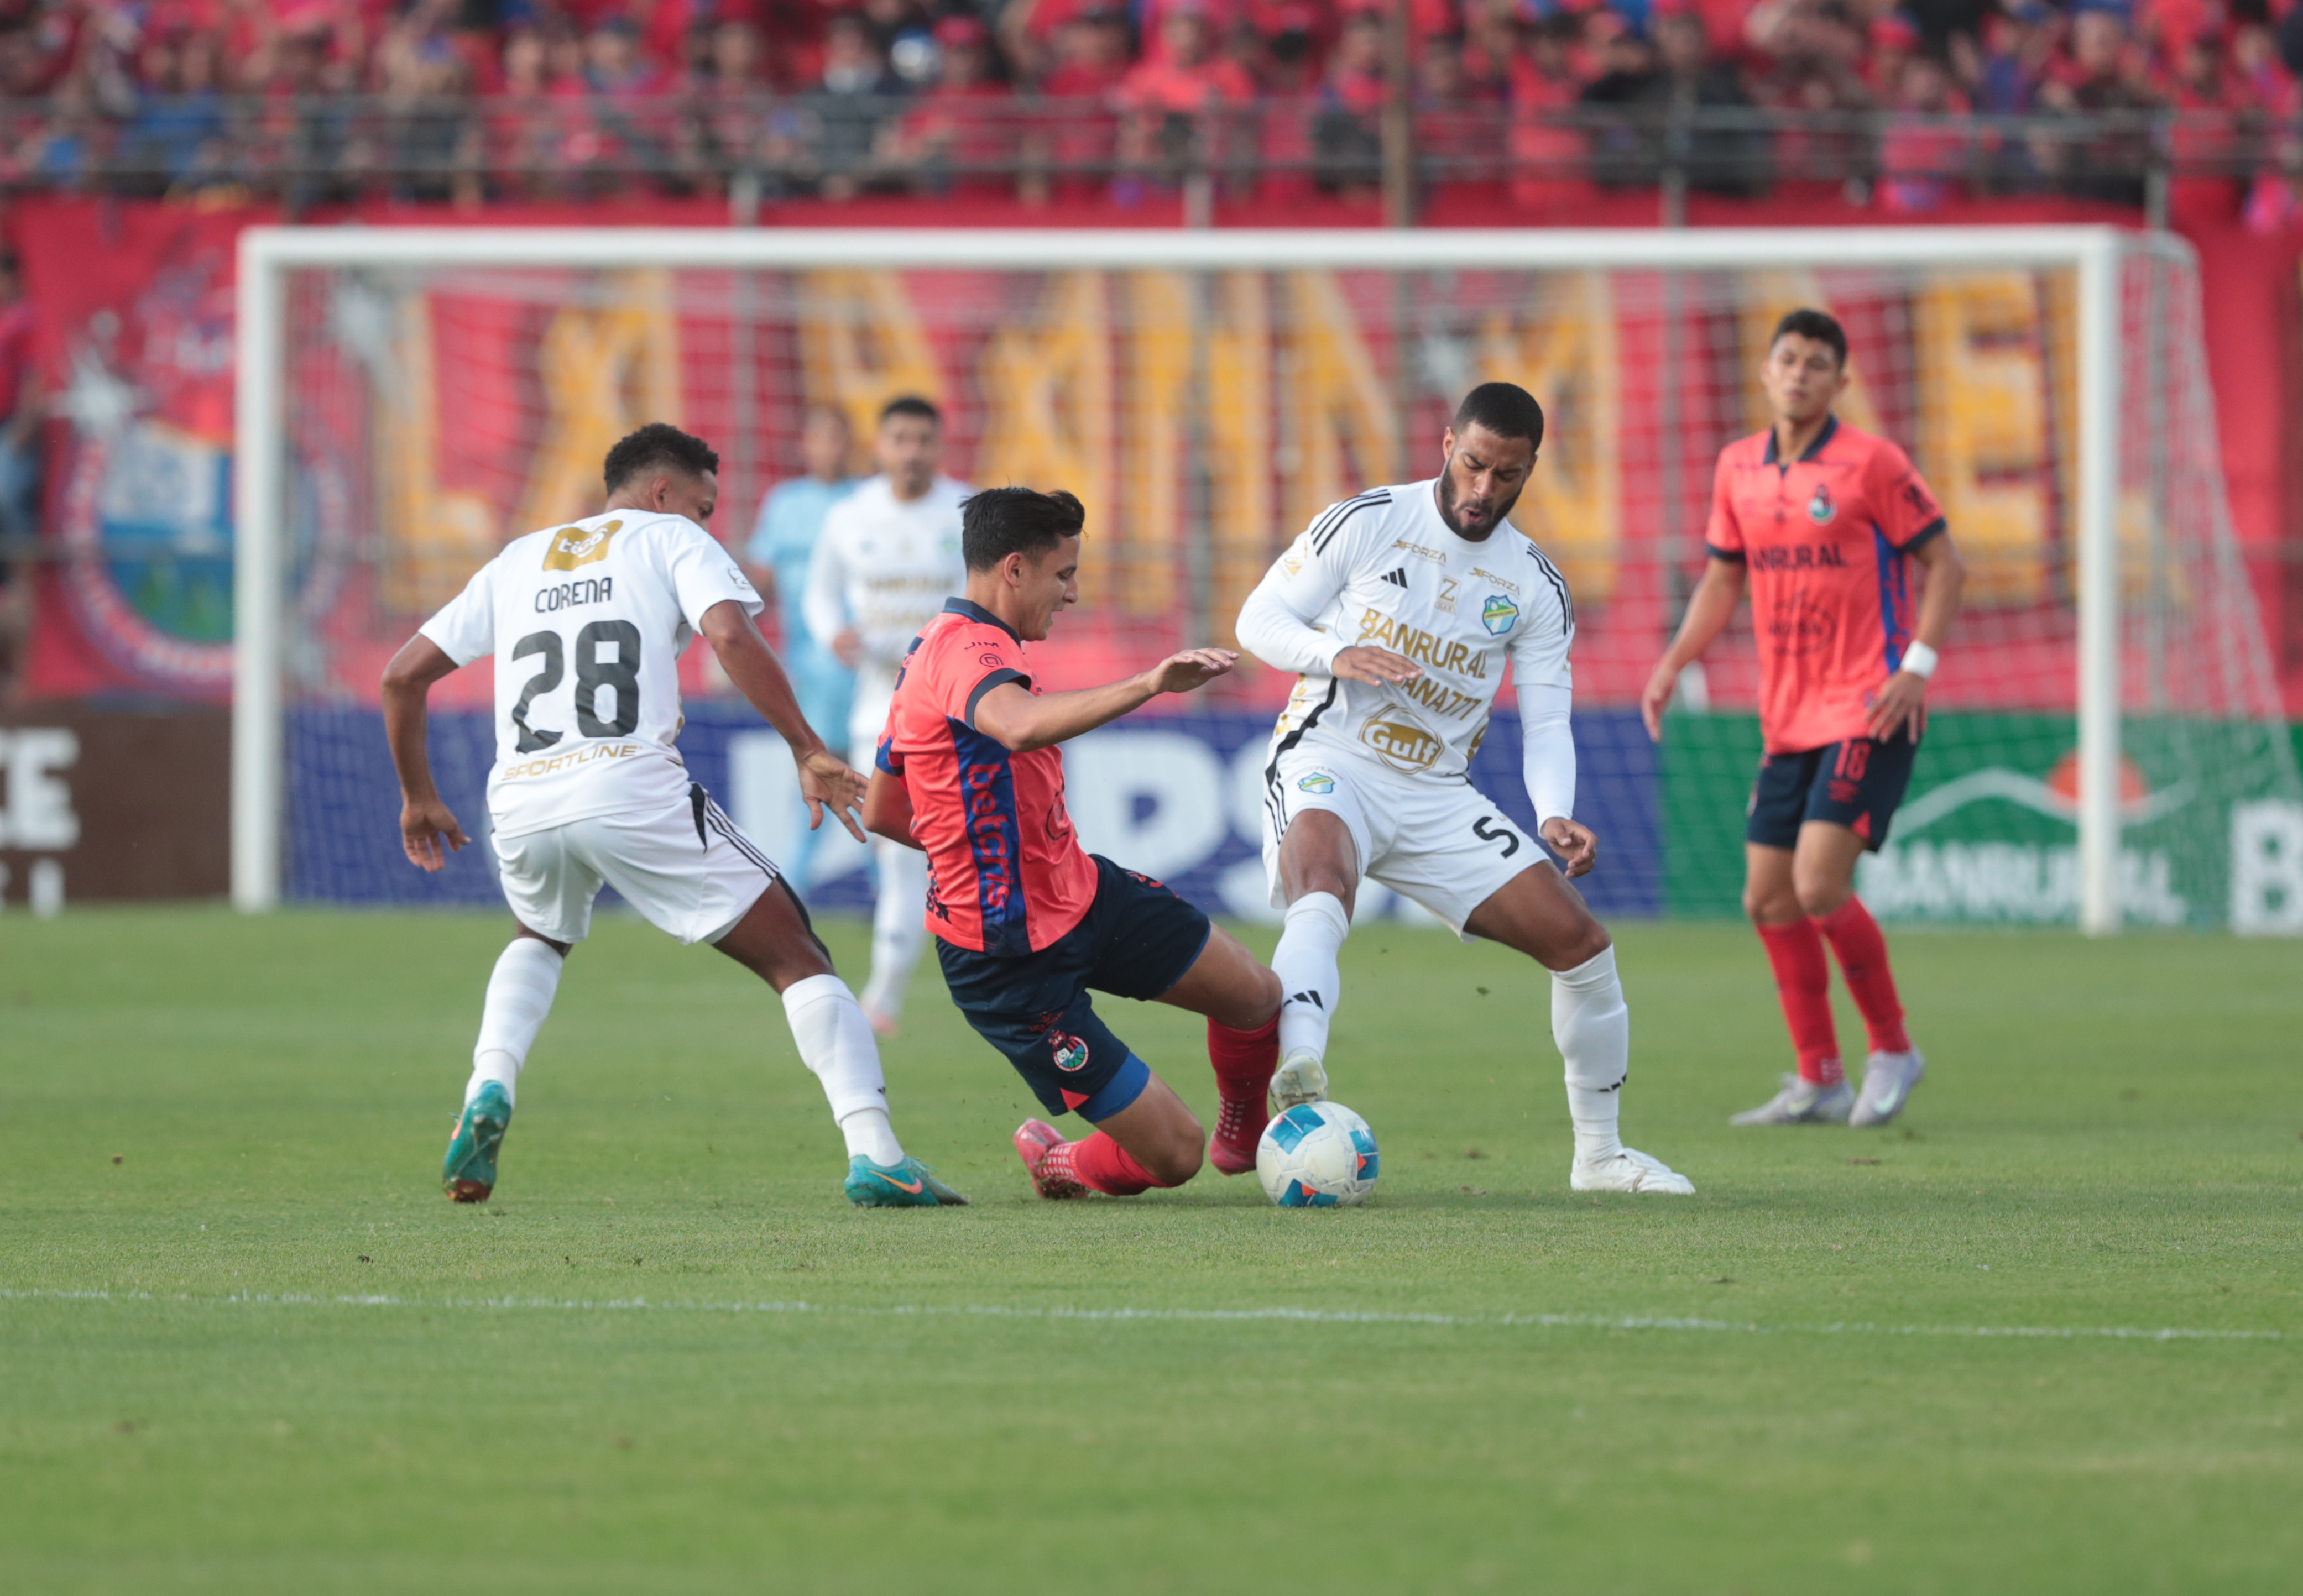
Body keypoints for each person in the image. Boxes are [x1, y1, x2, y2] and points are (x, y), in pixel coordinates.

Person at [380, 423, 965, 1210]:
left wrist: (419, 796)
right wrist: (806, 746)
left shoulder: (519, 558)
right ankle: (878, 1154)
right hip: (627, 786)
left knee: (539, 935)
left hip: (520, 798)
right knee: (798, 958)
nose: (706, 523)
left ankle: (488, 1085)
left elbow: (401, 676)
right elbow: (729, 632)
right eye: (703, 506)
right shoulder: (670, 538)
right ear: (663, 493)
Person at [1235, 383, 1695, 1197]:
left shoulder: (1534, 584)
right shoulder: (1370, 519)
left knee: (1582, 945)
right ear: (1447, 444)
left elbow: (1546, 719)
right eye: (1474, 464)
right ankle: (1300, 1064)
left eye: (1506, 475)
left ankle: (1599, 1157)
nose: (1483, 489)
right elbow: (1258, 619)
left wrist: (1553, 811)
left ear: (1530, 470)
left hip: (1436, 794)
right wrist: (1334, 655)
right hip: (1333, 755)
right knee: (1322, 883)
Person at [862, 486, 1286, 1200]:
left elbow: (881, 809)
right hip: (1006, 957)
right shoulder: (965, 649)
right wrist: (1149, 683)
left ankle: (1242, 1139)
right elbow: (1017, 725)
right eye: (1064, 574)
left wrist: (978, 846)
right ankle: (1059, 1163)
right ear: (1015, 569)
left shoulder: (944, 644)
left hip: (1080, 893)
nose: (1073, 593)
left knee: (1255, 995)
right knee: (1173, 1156)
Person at [1640, 308, 1966, 1129]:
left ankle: (1893, 1048)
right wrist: (1674, 662)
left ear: (1840, 381)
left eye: (1817, 363)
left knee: (1818, 883)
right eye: (1787, 358)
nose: (1799, 373)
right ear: (1765, 370)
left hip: (1869, 705)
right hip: (1786, 717)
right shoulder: (1737, 468)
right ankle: (1819, 1077)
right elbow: (1723, 580)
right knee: (1767, 899)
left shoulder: (1872, 463)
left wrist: (1916, 668)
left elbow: (1945, 564)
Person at [802, 395, 969, 1036]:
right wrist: (831, 633)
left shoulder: (966, 510)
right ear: (879, 446)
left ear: (939, 445)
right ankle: (885, 996)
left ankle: (885, 997)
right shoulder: (849, 515)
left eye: (923, 440)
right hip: (877, 705)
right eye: (900, 439)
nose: (912, 452)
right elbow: (819, 593)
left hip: (953, 705)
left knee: (937, 852)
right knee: (896, 852)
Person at [745, 405, 858, 891]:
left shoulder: (865, 502)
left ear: (850, 445)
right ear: (804, 446)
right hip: (809, 665)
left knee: (868, 773)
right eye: (821, 437)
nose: (829, 448)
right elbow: (762, 581)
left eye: (838, 437)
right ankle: (795, 883)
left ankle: (802, 884)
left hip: (864, 663)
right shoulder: (784, 504)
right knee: (825, 768)